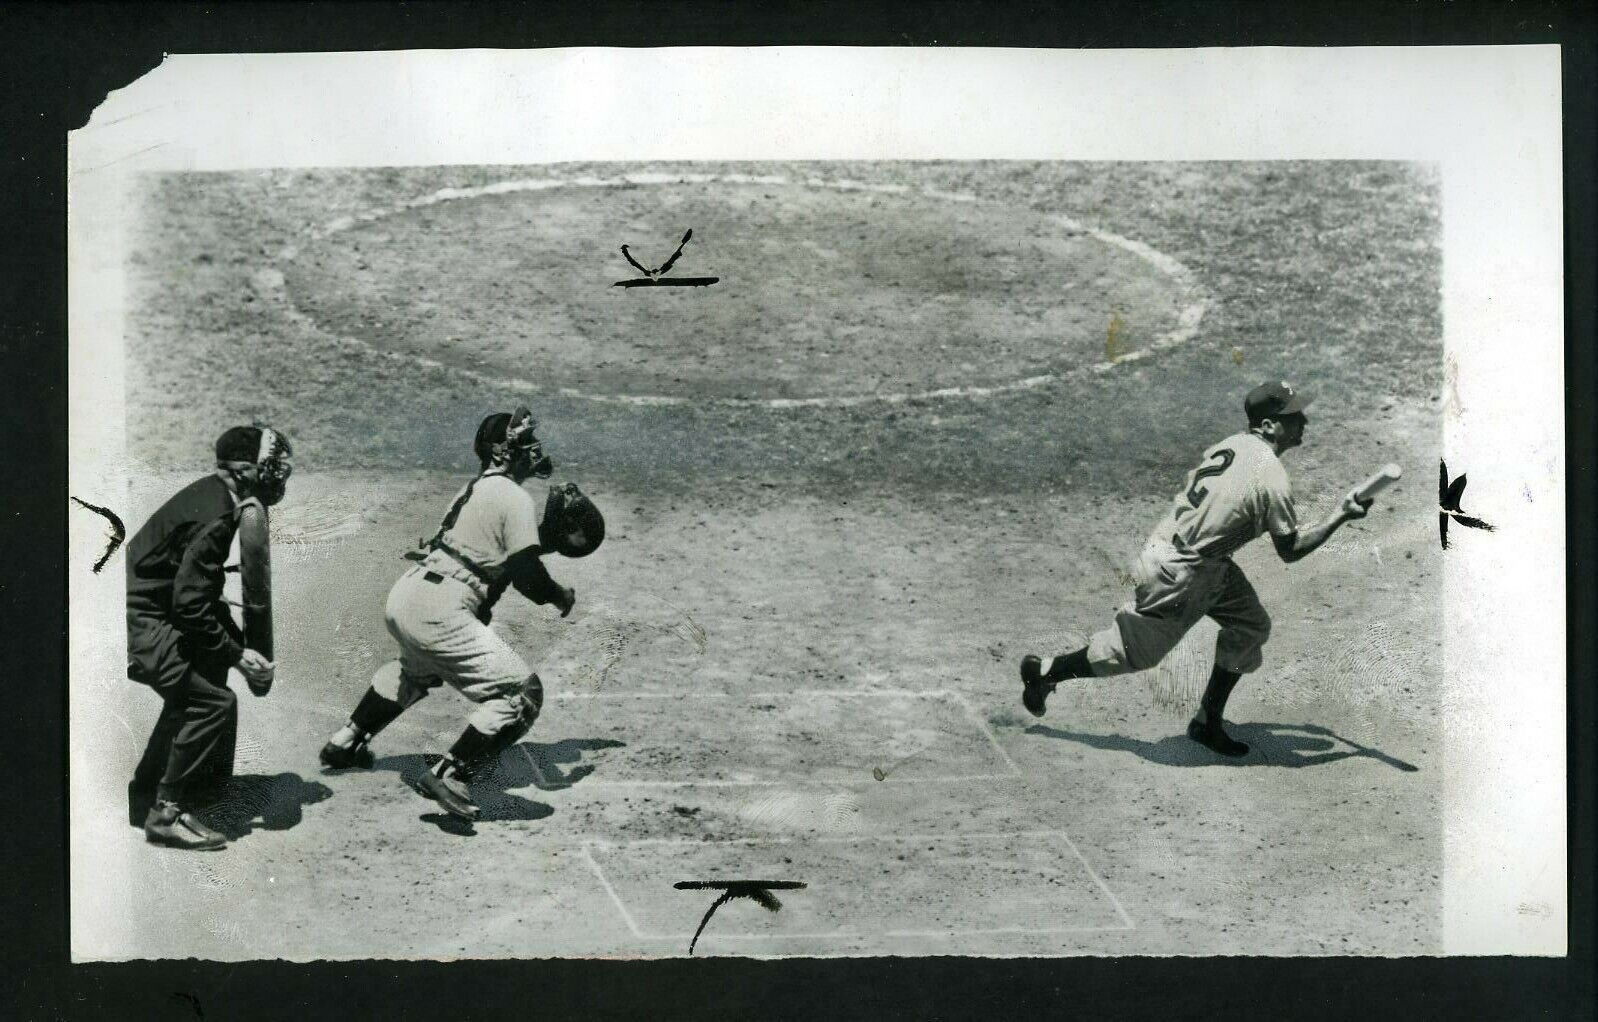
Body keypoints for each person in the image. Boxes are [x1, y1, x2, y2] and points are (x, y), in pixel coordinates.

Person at [1019, 381, 1371, 757]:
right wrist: (1341, 516)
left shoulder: (1232, 445)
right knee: (1130, 654)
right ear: (1268, 426)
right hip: (1182, 574)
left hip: (1188, 555)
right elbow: (1290, 550)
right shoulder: (1272, 477)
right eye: (1293, 416)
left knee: (1250, 626)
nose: (1304, 421)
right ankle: (1046, 671)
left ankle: (1207, 723)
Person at [318, 406, 605, 822]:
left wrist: (544, 542)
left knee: (417, 671)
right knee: (522, 694)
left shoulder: (474, 490)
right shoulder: (514, 496)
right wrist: (557, 595)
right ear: (502, 451)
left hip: (410, 595)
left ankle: (347, 741)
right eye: (524, 443)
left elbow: (492, 554)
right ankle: (451, 774)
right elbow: (523, 569)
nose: (533, 450)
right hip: (442, 607)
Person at [125, 425, 292, 849]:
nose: (278, 476)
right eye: (269, 467)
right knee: (211, 701)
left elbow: (199, 599)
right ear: (241, 470)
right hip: (142, 621)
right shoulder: (218, 515)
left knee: (206, 677)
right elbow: (190, 605)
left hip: (146, 610)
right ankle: (166, 813)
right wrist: (238, 654)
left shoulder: (212, 494)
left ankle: (149, 793)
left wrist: (233, 649)